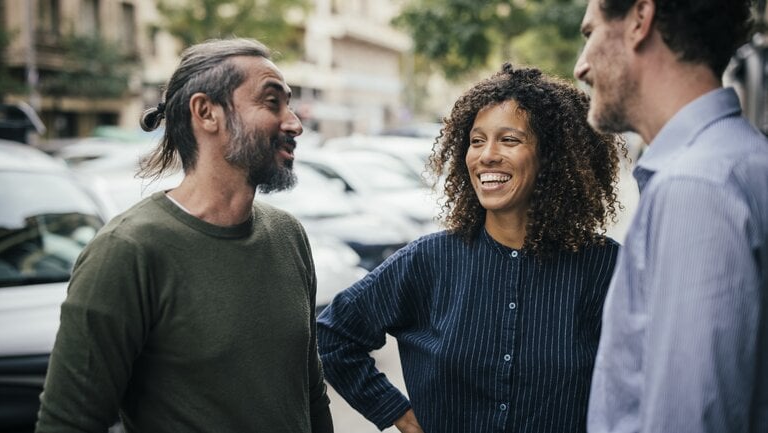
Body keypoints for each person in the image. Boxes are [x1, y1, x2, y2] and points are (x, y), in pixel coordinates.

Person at [35, 38, 333, 433]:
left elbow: (311, 392)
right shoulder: (126, 251)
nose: (294, 123)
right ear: (206, 112)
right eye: (272, 102)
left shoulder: (288, 235)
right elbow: (68, 424)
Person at [317, 63, 625, 433]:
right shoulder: (430, 260)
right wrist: (398, 413)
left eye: (509, 140)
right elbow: (334, 335)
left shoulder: (605, 267)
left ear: (551, 157)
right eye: (477, 141)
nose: (486, 155)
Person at [574, 1, 768, 432]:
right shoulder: (743, 160)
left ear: (640, 19)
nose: (580, 67)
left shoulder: (696, 187)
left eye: (590, 35)